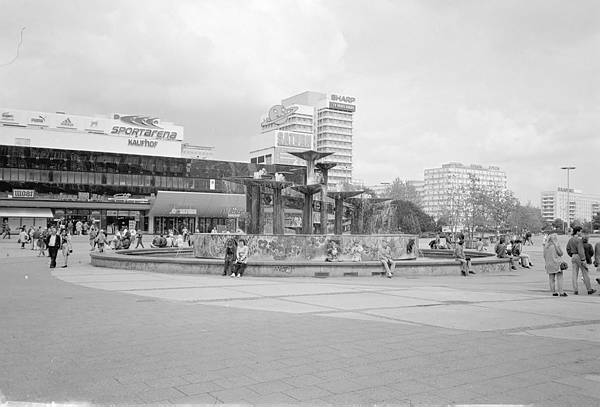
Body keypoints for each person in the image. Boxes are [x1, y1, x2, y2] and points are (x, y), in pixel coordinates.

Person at [566, 226, 595, 295]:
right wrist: (583, 259)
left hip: (573, 256)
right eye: (580, 231)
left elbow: (568, 249)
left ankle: (575, 290)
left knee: (574, 274)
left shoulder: (570, 240)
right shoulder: (579, 240)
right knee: (585, 273)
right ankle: (589, 289)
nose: (581, 233)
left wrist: (572, 255)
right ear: (578, 231)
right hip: (579, 256)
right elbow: (581, 250)